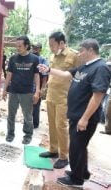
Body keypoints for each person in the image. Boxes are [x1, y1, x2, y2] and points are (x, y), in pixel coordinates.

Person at [38, 38, 110, 187]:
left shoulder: (100, 68)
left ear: (90, 50)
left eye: (82, 51)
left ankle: (76, 180)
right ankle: (82, 172)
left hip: (84, 117)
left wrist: (84, 118)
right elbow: (66, 75)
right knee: (80, 146)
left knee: (76, 147)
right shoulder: (85, 67)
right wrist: (49, 70)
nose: (79, 54)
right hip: (76, 115)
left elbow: (98, 96)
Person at [39, 32, 78, 169]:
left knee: (61, 126)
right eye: (49, 45)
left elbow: (78, 76)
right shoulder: (52, 56)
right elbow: (52, 73)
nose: (50, 48)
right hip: (51, 95)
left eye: (52, 45)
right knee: (52, 124)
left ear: (61, 43)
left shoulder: (73, 55)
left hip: (64, 97)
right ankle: (53, 150)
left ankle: (63, 156)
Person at [2, 36, 40, 144]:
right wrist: (4, 89)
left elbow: (36, 76)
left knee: (27, 116)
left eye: (20, 46)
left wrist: (37, 91)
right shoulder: (13, 58)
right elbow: (9, 74)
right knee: (11, 114)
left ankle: (28, 135)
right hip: (13, 91)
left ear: (26, 46)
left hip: (27, 92)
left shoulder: (34, 59)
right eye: (16, 46)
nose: (17, 48)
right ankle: (10, 133)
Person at [31, 43, 48, 129]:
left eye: (36, 48)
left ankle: (35, 124)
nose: (34, 50)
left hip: (37, 87)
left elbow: (45, 76)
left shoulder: (43, 60)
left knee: (36, 106)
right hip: (28, 86)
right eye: (33, 48)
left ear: (40, 49)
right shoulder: (28, 58)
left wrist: (43, 88)